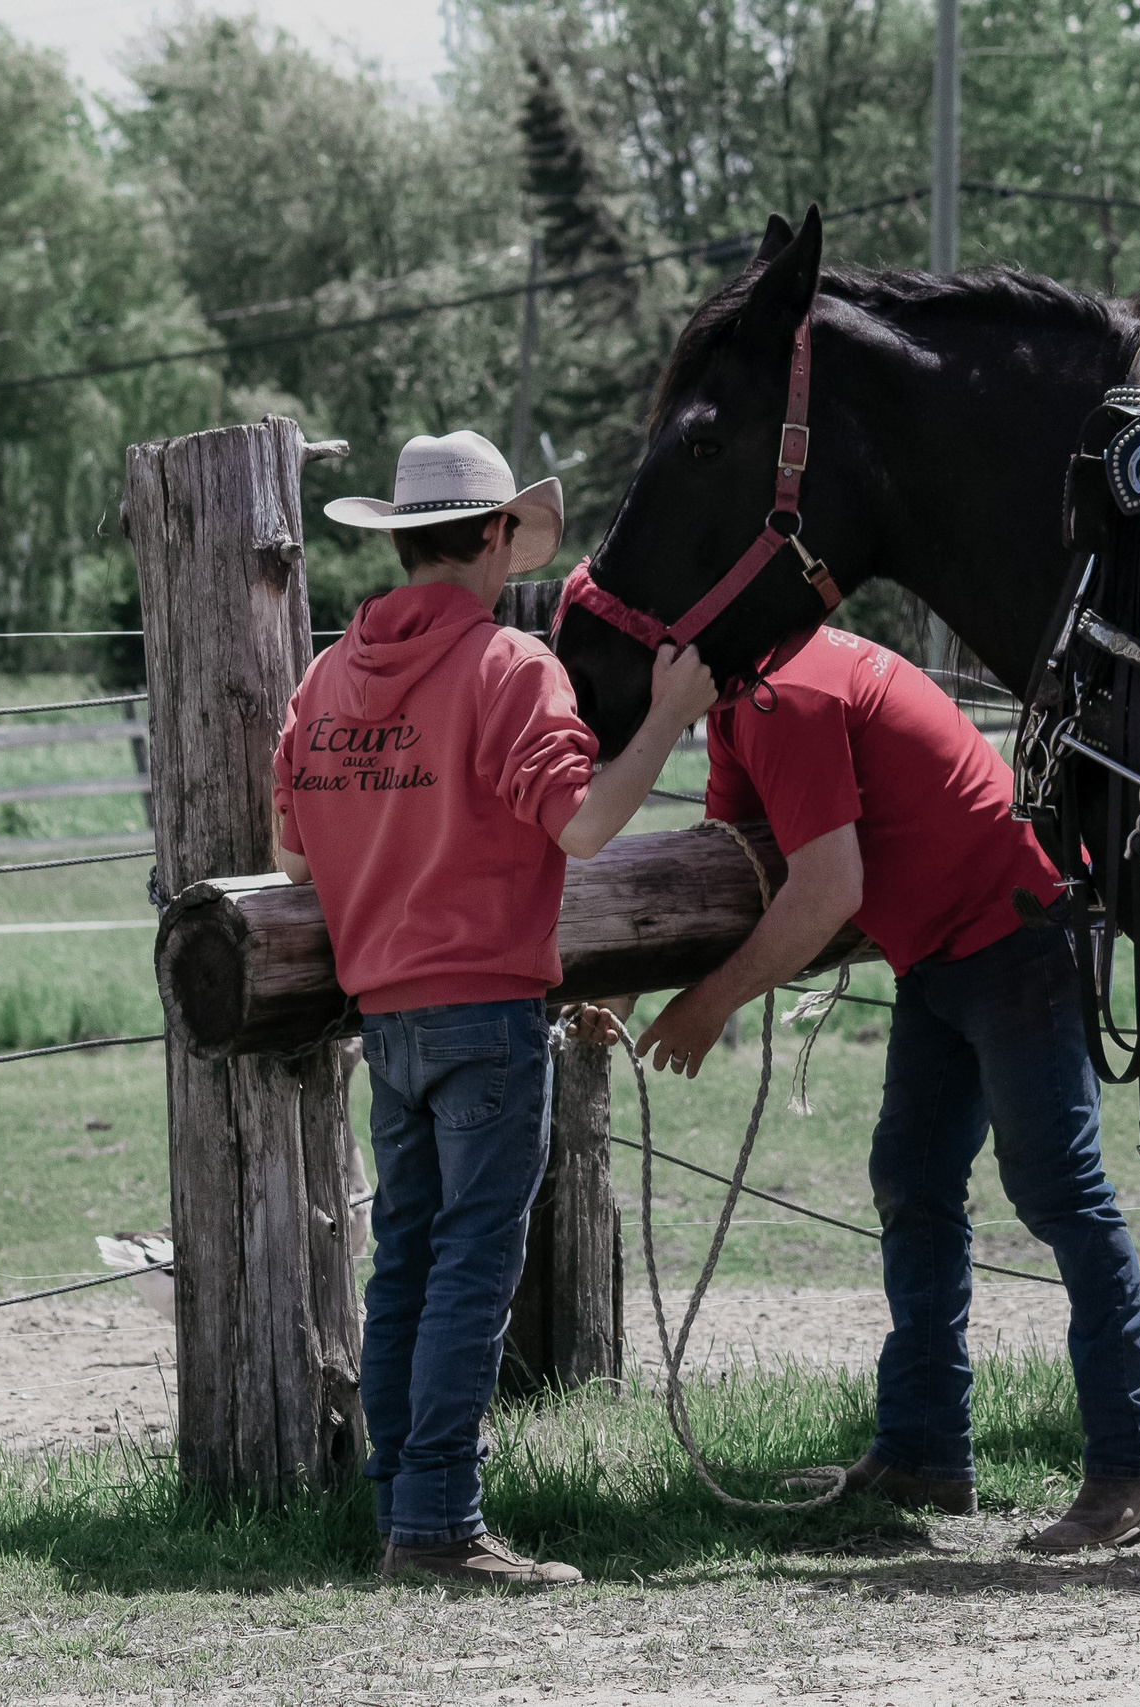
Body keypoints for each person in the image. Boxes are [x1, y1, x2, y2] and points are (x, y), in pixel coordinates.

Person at [274, 431, 716, 1591]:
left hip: (387, 1015)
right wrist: (670, 715)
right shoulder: (510, 665)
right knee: (473, 1266)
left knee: (408, 1263)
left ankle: (396, 1506)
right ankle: (438, 1524)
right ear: (494, 535)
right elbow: (577, 825)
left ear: (402, 538)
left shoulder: (326, 678)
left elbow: (289, 853)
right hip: (489, 1004)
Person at [629, 627, 1140, 1551]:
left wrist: (707, 1004)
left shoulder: (782, 697)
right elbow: (738, 859)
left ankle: (1136, 1458)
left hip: (1012, 932)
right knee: (915, 1179)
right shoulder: (746, 699)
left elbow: (827, 887)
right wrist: (630, 983)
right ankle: (926, 1447)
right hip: (949, 943)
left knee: (1058, 1191)